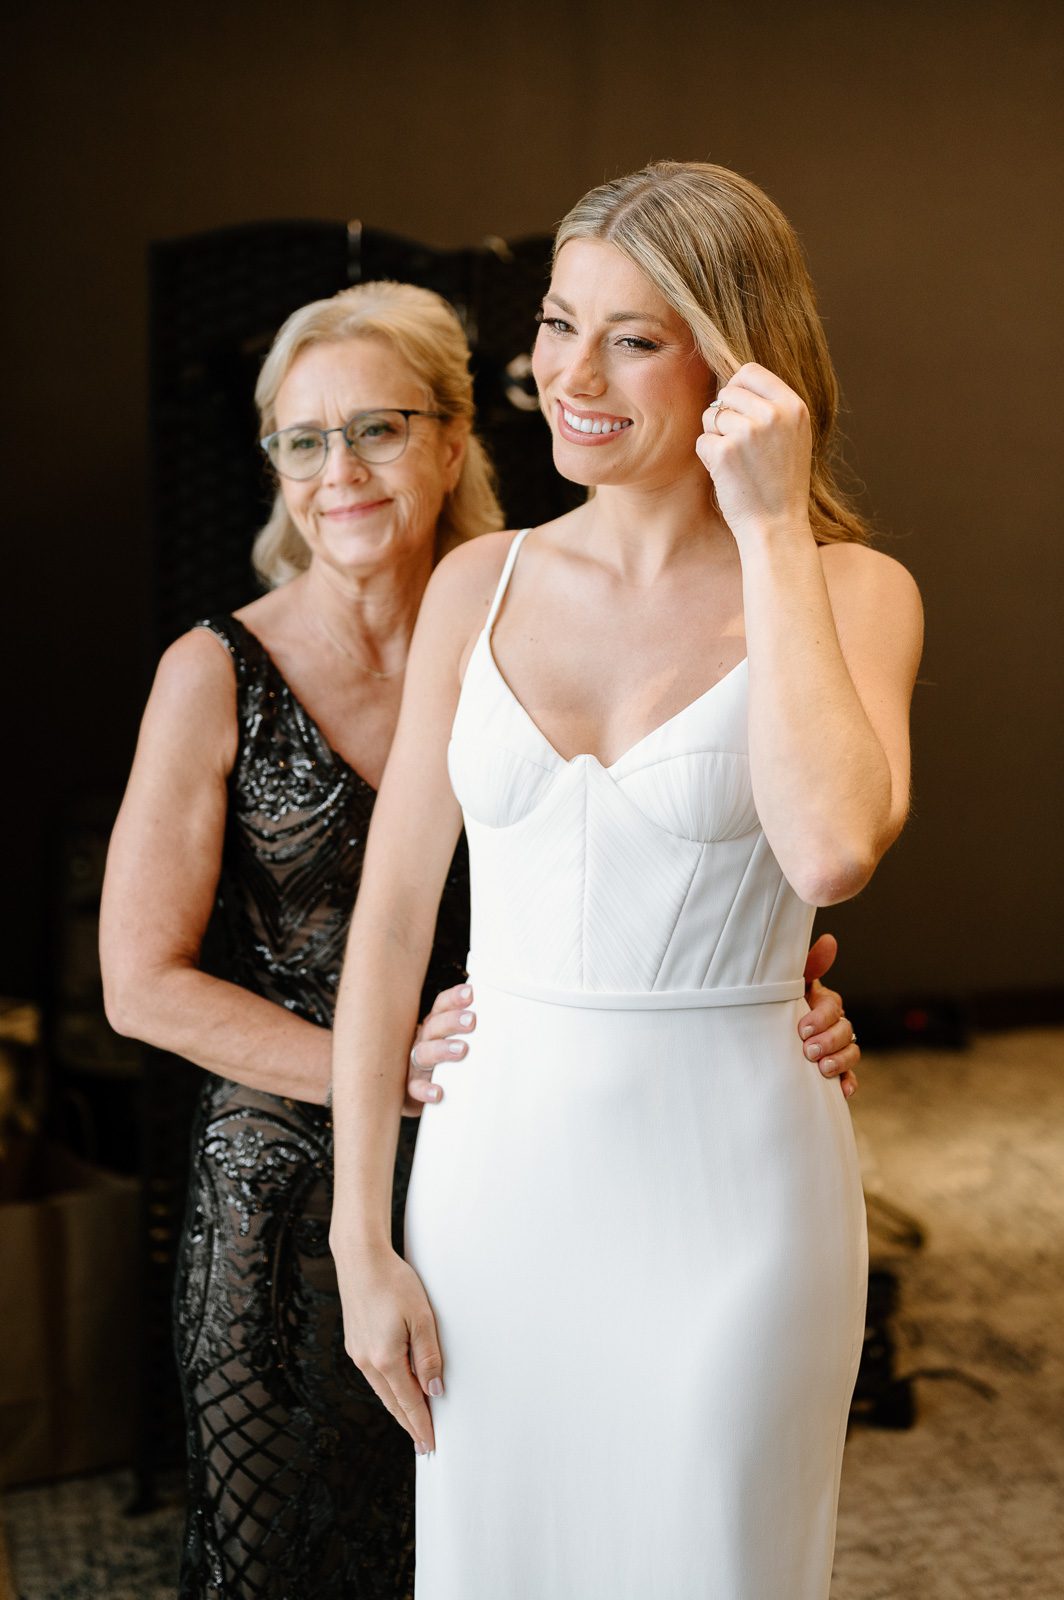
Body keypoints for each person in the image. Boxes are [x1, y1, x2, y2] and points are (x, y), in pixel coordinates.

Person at [101, 272, 858, 1599]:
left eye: (378, 428)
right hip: (296, 1188)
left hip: (526, 1151)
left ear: (456, 440)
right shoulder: (213, 670)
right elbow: (141, 983)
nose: (338, 471)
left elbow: (685, 861)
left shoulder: (527, 615)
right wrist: (373, 1072)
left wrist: (786, 988)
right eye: (301, 439)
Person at [329, 162, 921, 1600]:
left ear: (739, 360)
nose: (570, 375)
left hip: (739, 1186)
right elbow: (392, 925)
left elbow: (833, 848)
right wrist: (363, 1243)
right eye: (556, 322)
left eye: (635, 337)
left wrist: (772, 526)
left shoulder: (853, 590)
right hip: (495, 1186)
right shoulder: (480, 582)